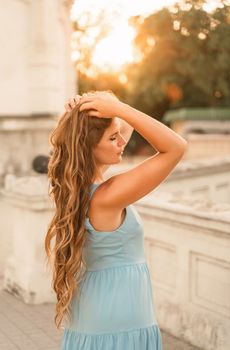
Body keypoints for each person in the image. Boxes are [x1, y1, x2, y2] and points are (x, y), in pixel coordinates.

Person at [45, 90, 188, 350]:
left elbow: (127, 125)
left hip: (96, 314)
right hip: (118, 319)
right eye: (113, 137)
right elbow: (176, 147)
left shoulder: (80, 190)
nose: (122, 140)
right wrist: (118, 108)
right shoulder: (105, 197)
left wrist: (94, 106)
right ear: (88, 147)